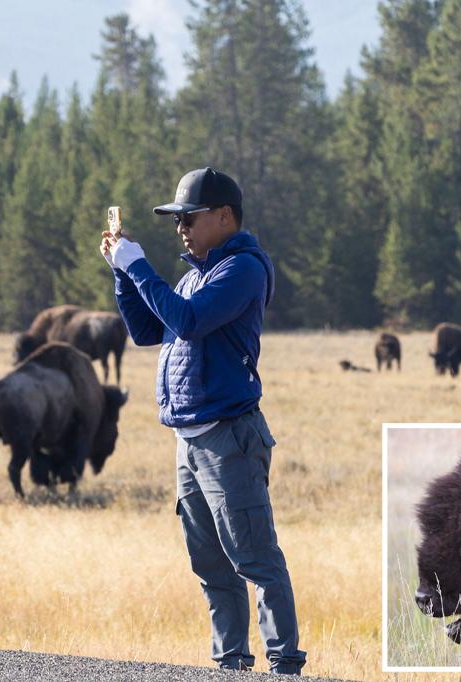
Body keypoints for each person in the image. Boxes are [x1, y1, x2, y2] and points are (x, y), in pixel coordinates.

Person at [100, 167, 306, 674]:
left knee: (254, 557)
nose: (181, 228)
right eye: (177, 220)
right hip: (191, 440)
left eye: (189, 218)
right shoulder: (199, 272)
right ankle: (230, 663)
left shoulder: (243, 269)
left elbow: (188, 320)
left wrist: (139, 264)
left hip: (228, 437)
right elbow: (151, 330)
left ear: (224, 217)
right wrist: (124, 274)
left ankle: (284, 664)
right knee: (212, 564)